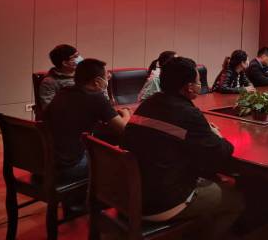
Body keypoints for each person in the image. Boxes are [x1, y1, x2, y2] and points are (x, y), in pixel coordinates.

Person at [122, 57, 243, 240]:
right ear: (188, 87)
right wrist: (217, 135)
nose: (200, 85)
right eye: (198, 81)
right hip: (161, 203)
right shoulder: (188, 113)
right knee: (236, 200)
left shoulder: (148, 104)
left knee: (209, 179)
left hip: (128, 195)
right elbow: (222, 153)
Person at [46, 58, 131, 181]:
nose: (108, 79)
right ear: (97, 81)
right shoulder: (96, 98)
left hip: (47, 162)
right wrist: (126, 114)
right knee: (124, 162)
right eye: (106, 77)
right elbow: (124, 130)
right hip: (70, 167)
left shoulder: (63, 92)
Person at [38, 44, 81, 112]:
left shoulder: (83, 75)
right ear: (65, 63)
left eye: (78, 55)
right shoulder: (49, 82)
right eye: (75, 57)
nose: (80, 59)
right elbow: (49, 110)